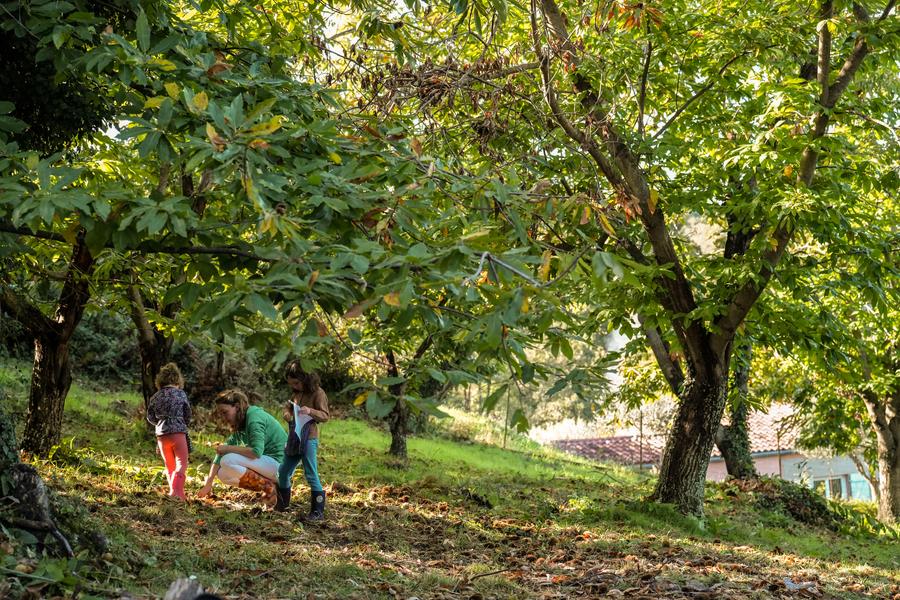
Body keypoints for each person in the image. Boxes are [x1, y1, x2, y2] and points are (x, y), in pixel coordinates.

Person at [196, 389, 287, 507]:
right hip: (269, 465)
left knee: (228, 460)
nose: (223, 417)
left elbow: (256, 452)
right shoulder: (241, 422)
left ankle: (269, 488)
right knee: (223, 473)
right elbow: (220, 454)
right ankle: (270, 485)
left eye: (225, 412)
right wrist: (208, 483)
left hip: (281, 467)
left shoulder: (254, 418)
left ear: (237, 407)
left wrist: (228, 449)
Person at [275, 362, 330, 521]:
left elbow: (325, 415)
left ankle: (317, 512)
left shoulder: (318, 393)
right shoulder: (296, 394)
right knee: (283, 471)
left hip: (309, 438)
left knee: (311, 473)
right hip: (294, 437)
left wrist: (310, 411)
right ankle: (282, 504)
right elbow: (288, 407)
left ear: (306, 379)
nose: (294, 386)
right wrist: (287, 413)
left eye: (297, 383)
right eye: (291, 384)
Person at [146, 363, 191, 500]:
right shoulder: (181, 394)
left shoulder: (155, 396)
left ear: (160, 381)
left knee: (169, 464)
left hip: (162, 434)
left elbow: (150, 417)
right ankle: (177, 493)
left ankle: (173, 491)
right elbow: (187, 413)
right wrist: (182, 423)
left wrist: (160, 422)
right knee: (181, 463)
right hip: (178, 432)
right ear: (178, 380)